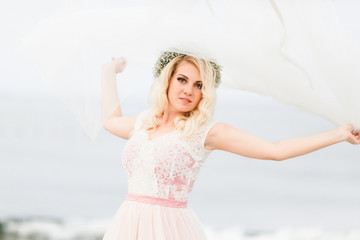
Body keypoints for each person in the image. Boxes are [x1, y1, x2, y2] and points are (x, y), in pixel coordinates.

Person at [100, 51, 360, 240]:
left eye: (199, 85)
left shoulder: (206, 132)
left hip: (170, 229)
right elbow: (111, 120)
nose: (189, 90)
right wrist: (108, 71)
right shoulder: (145, 123)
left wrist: (337, 134)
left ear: (205, 93)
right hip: (127, 224)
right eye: (182, 79)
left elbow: (275, 150)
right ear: (167, 79)